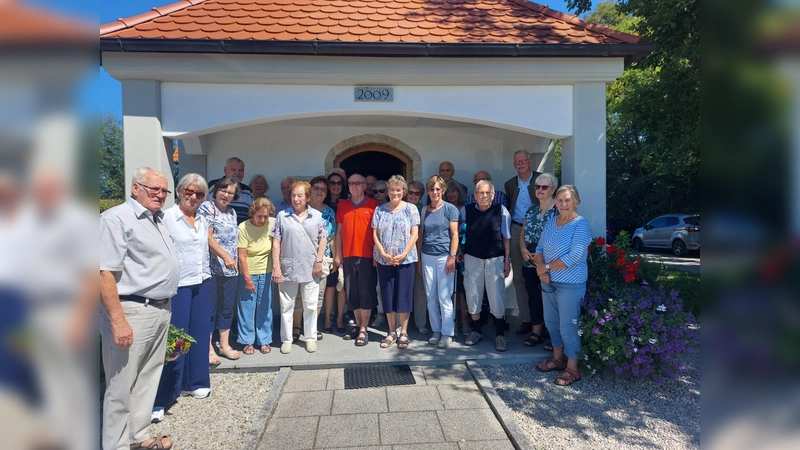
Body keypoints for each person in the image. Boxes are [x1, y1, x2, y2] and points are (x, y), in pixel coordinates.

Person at [100, 167, 179, 450]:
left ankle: (138, 437)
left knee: (147, 376)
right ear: (135, 188)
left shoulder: (158, 219)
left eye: (164, 190)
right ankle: (116, 445)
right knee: (120, 385)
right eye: (153, 189)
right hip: (132, 310)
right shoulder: (116, 219)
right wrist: (118, 321)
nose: (160, 195)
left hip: (159, 308)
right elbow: (103, 273)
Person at [152, 173, 213, 424]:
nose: (194, 197)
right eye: (190, 191)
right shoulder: (165, 217)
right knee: (175, 338)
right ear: (179, 191)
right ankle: (162, 396)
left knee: (199, 333)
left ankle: (194, 382)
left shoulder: (202, 219)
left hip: (202, 281)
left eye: (199, 194)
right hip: (178, 285)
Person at [533, 185, 592, 386]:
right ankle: (558, 359)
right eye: (560, 200)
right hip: (548, 281)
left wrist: (546, 267)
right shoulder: (551, 221)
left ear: (576, 202)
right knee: (551, 322)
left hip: (570, 283)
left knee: (568, 326)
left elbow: (575, 256)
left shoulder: (580, 224)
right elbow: (539, 248)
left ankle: (573, 368)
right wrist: (542, 270)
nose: (563, 204)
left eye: (567, 200)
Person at [272, 180, 328, 354]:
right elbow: (276, 242)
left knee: (310, 305)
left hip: (311, 267)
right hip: (288, 267)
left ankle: (310, 338)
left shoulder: (317, 216)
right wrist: (276, 267)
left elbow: (323, 239)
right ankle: (287, 339)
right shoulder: (282, 216)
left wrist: (319, 261)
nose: (296, 199)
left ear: (308, 198)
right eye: (293, 195)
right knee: (286, 306)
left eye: (300, 196)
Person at [460, 180, 512, 352]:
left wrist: (507, 260)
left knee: (496, 295)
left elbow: (506, 237)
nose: (484, 196)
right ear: (475, 195)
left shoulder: (501, 210)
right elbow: (457, 233)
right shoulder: (465, 210)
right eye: (480, 193)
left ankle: (500, 335)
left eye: (487, 193)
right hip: (472, 257)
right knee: (473, 294)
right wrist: (459, 251)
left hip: (495, 258)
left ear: (493, 195)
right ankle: (476, 331)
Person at [372, 175, 420, 350]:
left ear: (403, 191)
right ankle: (391, 331)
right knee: (388, 294)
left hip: (405, 260)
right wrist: (383, 253)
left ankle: (404, 332)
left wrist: (404, 253)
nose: (395, 193)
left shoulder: (411, 209)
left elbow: (415, 233)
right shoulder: (379, 210)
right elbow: (375, 234)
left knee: (404, 295)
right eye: (392, 190)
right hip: (384, 260)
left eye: (398, 190)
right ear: (388, 192)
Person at [198, 177, 241, 362]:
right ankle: (208, 349)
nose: (226, 195)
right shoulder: (207, 208)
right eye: (223, 190)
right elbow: (207, 237)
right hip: (212, 268)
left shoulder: (232, 212)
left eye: (230, 192)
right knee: (210, 308)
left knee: (227, 308)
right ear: (216, 191)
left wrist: (233, 261)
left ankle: (224, 345)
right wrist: (225, 257)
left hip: (231, 270)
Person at [335, 174, 379, 346]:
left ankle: (363, 328)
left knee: (366, 292)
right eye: (351, 183)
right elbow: (339, 231)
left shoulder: (373, 205)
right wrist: (338, 253)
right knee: (352, 292)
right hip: (348, 255)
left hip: (367, 255)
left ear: (364, 186)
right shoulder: (342, 205)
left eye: (358, 183)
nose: (354, 186)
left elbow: (377, 233)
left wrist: (377, 254)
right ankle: (359, 325)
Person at [418, 176, 460, 348]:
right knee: (431, 296)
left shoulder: (450, 209)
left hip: (444, 256)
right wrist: (419, 259)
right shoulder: (423, 211)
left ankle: (447, 332)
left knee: (444, 296)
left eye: (438, 189)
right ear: (428, 192)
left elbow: (455, 234)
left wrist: (452, 257)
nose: (435, 192)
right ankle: (436, 330)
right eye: (432, 189)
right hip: (427, 256)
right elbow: (421, 236)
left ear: (443, 190)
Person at [503, 150, 542, 336]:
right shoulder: (510, 184)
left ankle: (541, 321)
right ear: (514, 164)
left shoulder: (541, 180)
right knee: (519, 278)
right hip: (517, 228)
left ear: (529, 162)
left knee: (540, 276)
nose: (520, 164)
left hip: (539, 231)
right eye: (517, 161)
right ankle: (526, 319)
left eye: (523, 160)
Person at [519, 173, 559, 348]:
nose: (540, 190)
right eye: (537, 186)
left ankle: (553, 335)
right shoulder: (531, 210)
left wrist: (543, 256)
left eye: (544, 187)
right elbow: (522, 233)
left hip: (550, 265)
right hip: (530, 263)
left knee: (551, 300)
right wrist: (523, 249)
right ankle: (536, 332)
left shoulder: (559, 210)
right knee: (534, 298)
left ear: (553, 190)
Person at [237, 197, 276, 355]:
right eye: (259, 216)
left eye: (266, 216)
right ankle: (247, 341)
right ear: (252, 213)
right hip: (248, 271)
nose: (263, 220)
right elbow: (241, 255)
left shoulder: (272, 223)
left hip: (266, 271)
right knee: (247, 307)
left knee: (265, 306)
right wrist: (247, 278)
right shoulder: (243, 227)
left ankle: (264, 339)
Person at [306, 176, 339, 336]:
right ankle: (299, 325)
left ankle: (314, 326)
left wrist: (336, 256)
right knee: (303, 295)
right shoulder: (302, 209)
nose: (320, 192)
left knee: (319, 294)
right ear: (310, 190)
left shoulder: (329, 212)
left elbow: (333, 237)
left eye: (323, 189)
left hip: (323, 258)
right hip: (303, 258)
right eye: (316, 188)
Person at [444, 179, 470, 336]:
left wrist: (460, 250)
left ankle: (465, 321)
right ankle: (450, 321)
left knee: (462, 289)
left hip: (464, 251)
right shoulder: (443, 208)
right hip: (446, 251)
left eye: (454, 191)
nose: (451, 194)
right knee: (449, 289)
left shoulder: (466, 208)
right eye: (448, 191)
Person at [324, 171, 348, 333]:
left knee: (343, 285)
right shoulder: (323, 203)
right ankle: (327, 318)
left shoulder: (346, 202)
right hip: (328, 249)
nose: (336, 186)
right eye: (332, 183)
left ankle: (339, 318)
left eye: (339, 183)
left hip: (346, 247)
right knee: (330, 285)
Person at [405, 180, 429, 334]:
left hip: (420, 253)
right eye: (411, 192)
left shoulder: (425, 210)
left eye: (417, 193)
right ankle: (401, 324)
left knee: (420, 290)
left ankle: (420, 322)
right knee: (403, 289)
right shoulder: (400, 208)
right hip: (402, 254)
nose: (413, 196)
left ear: (421, 195)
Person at [207, 157, 254, 223]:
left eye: (241, 170)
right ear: (225, 170)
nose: (237, 172)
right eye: (233, 169)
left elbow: (251, 215)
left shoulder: (247, 191)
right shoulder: (213, 186)